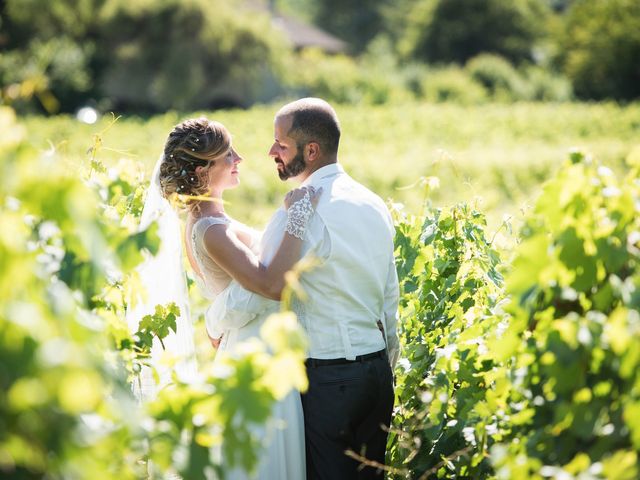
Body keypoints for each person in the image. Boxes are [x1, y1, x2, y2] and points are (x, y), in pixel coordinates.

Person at [215, 98, 400, 480]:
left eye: (280, 145)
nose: (271, 152)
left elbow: (262, 287)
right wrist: (387, 365)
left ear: (311, 151)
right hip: (377, 373)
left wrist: (212, 322)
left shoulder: (301, 209)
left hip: (328, 381)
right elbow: (389, 295)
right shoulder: (373, 202)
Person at [145, 117, 321, 478]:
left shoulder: (211, 221)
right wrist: (298, 215)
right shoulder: (211, 230)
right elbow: (270, 285)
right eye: (228, 154)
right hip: (254, 350)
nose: (239, 158)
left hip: (251, 341)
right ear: (201, 170)